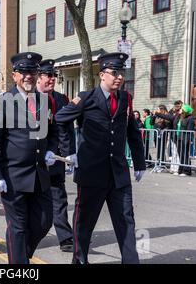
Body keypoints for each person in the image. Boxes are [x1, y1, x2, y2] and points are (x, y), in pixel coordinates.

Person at [55, 52, 146, 264]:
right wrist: (70, 150)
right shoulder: (86, 98)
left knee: (126, 221)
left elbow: (132, 131)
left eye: (122, 72)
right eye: (115, 72)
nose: (120, 77)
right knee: (85, 223)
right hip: (91, 173)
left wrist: (140, 162)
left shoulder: (125, 99)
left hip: (118, 173)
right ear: (102, 74)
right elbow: (61, 119)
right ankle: (79, 259)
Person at [0, 52, 59, 264]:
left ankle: (19, 256)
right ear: (15, 75)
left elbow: (51, 132)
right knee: (17, 227)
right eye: (24, 72)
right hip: (13, 177)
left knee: (44, 222)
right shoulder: (1, 102)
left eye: (33, 71)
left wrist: (51, 149)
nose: (29, 76)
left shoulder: (45, 101)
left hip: (39, 176)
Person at [36, 59, 75, 252]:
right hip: (35, 159)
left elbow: (67, 129)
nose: (52, 79)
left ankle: (65, 238)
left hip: (56, 158)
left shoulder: (62, 99)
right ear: (38, 77)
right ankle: (30, 233)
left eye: (54, 75)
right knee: (35, 201)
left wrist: (70, 155)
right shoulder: (28, 97)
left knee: (59, 198)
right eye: (48, 75)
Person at [155, 104, 195, 176]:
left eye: (181, 109)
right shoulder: (178, 116)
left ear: (184, 111)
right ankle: (181, 169)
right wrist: (158, 114)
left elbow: (190, 130)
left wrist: (188, 140)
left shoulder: (190, 118)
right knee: (180, 154)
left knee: (185, 155)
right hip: (177, 138)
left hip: (185, 139)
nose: (179, 110)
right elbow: (168, 117)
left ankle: (186, 171)